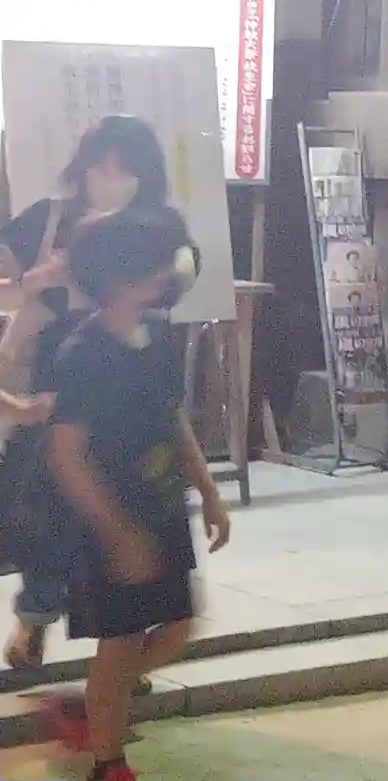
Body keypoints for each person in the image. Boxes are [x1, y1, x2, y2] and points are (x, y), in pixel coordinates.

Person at [42, 205, 230, 780]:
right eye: (157, 261)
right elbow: (65, 454)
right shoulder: (83, 354)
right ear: (120, 276)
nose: (171, 270)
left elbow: (172, 419)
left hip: (160, 510)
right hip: (107, 523)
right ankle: (108, 762)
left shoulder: (158, 335)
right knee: (121, 642)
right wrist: (119, 535)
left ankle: (94, 704)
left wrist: (208, 491)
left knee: (177, 627)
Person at [0, 116, 177, 672]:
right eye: (101, 167)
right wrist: (36, 280)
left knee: (127, 507)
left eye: (126, 170)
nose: (111, 180)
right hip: (52, 384)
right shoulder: (47, 219)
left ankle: (120, 656)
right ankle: (37, 616)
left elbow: (177, 287)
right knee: (48, 510)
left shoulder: (157, 227)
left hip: (127, 386)